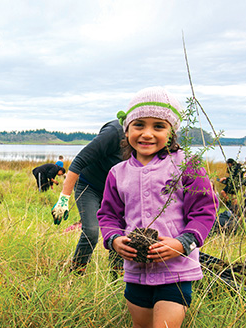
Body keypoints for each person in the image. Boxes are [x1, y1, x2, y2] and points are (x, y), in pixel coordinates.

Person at [98, 87, 218, 328]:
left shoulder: (187, 165)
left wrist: (182, 244)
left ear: (171, 132)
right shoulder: (117, 173)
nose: (147, 134)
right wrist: (114, 240)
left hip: (177, 270)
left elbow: (204, 211)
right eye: (139, 125)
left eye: (158, 126)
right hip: (135, 271)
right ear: (127, 129)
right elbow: (109, 215)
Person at [52, 119, 125, 275]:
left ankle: (117, 277)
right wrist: (63, 199)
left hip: (116, 192)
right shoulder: (115, 132)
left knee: (120, 231)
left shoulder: (150, 142)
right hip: (89, 185)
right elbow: (78, 162)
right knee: (91, 231)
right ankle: (76, 273)